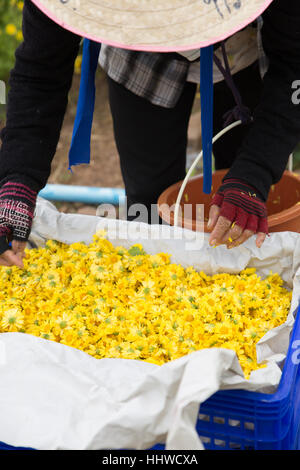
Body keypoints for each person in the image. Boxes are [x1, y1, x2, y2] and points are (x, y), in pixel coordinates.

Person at [0, 0, 299, 268]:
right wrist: (18, 180)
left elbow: (294, 65)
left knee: (243, 211)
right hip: (138, 54)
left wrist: (254, 175)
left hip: (240, 44)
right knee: (148, 208)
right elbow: (40, 72)